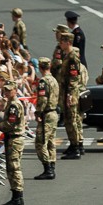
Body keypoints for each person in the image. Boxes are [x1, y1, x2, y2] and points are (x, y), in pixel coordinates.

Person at [0, 79, 26, 205]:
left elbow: (10, 124)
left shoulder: (14, 105)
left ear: (15, 91)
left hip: (15, 138)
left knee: (14, 168)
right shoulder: (10, 103)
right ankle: (15, 196)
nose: (6, 92)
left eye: (9, 90)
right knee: (11, 168)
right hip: (11, 138)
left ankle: (18, 197)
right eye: (5, 90)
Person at [55, 31, 86, 160]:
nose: (60, 44)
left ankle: (76, 148)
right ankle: (76, 145)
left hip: (70, 93)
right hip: (67, 92)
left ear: (68, 43)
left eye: (62, 42)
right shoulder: (68, 55)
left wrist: (70, 95)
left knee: (71, 120)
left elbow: (73, 77)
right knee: (71, 119)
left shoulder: (72, 57)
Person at [33, 57, 59, 181]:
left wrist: (38, 112)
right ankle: (52, 165)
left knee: (40, 142)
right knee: (50, 141)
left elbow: (43, 99)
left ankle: (47, 168)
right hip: (54, 112)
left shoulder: (43, 81)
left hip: (47, 114)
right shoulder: (54, 79)